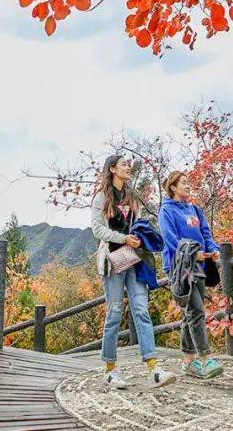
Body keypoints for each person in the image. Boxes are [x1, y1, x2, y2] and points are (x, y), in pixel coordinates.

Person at [91, 154, 176, 389]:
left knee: (141, 310)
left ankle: (153, 369)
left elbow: (137, 223)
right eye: (124, 164)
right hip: (112, 258)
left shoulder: (132, 195)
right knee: (115, 313)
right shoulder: (101, 197)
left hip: (133, 258)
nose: (128, 167)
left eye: (129, 164)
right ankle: (109, 369)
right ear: (112, 169)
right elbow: (97, 229)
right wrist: (123, 238)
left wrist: (138, 237)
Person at [158, 171, 224, 380]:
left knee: (190, 313)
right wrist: (193, 254)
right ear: (173, 187)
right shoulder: (166, 211)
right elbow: (170, 240)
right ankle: (206, 358)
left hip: (201, 265)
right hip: (179, 267)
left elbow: (206, 235)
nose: (188, 185)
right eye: (183, 183)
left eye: (188, 182)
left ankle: (188, 363)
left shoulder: (195, 210)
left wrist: (213, 249)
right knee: (196, 310)